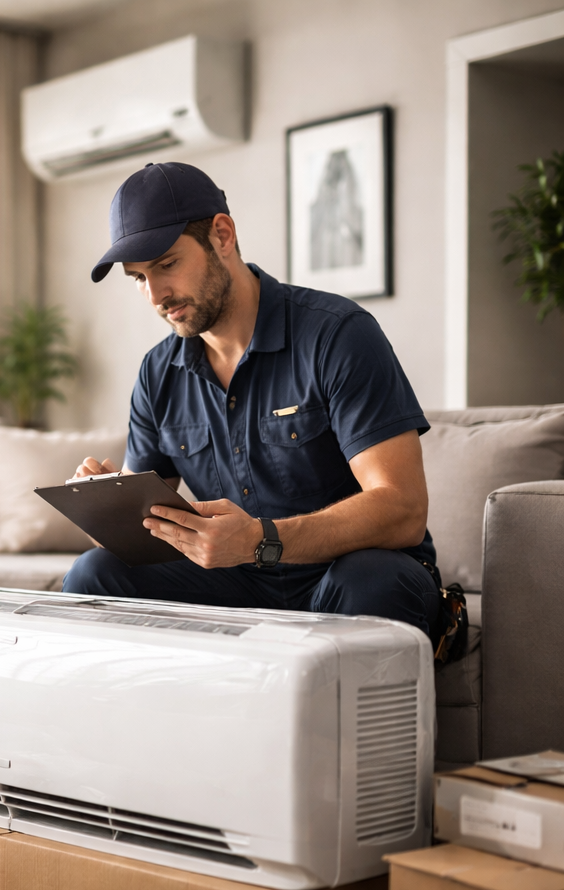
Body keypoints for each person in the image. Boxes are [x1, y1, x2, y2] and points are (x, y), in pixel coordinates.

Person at [62, 161, 443, 643]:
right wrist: (104, 508)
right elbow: (146, 536)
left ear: (221, 235)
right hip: (234, 581)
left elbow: (404, 509)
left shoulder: (338, 334)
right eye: (138, 277)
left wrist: (261, 540)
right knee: (95, 573)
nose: (156, 294)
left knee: (373, 579)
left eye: (166, 264)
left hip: (343, 574)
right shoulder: (157, 373)